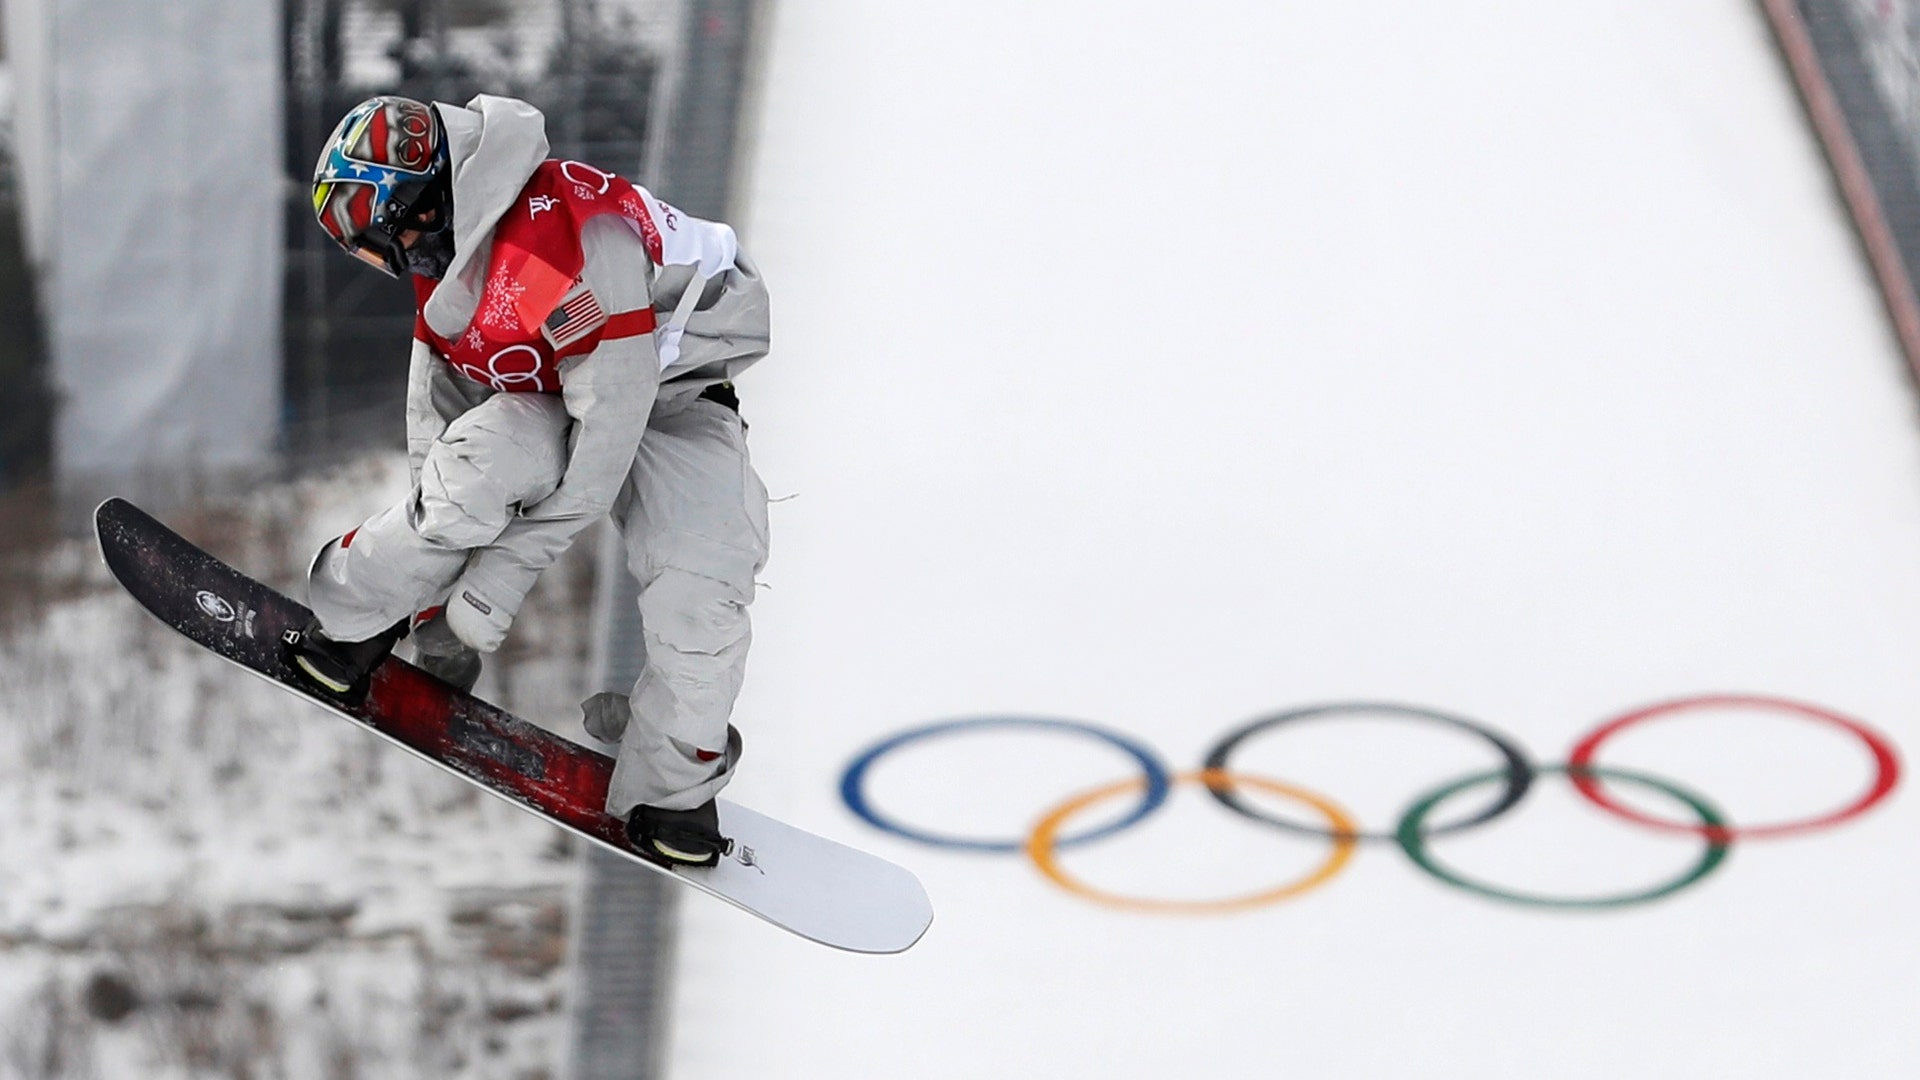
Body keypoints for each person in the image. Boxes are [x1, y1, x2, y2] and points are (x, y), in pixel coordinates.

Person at [292, 94, 771, 868]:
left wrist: (486, 599)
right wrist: (424, 596)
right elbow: (439, 421)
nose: (386, 259)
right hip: (548, 391)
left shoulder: (567, 242)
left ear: (421, 193)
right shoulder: (447, 250)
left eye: (380, 234)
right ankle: (354, 611)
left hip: (672, 396)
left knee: (705, 579)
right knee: (478, 468)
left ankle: (674, 781)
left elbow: (605, 442)